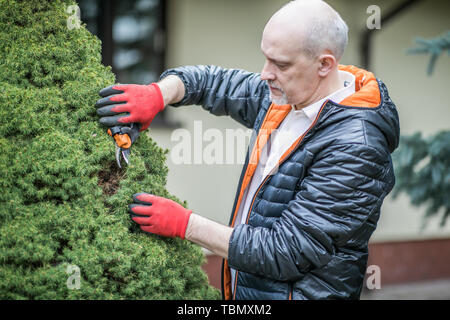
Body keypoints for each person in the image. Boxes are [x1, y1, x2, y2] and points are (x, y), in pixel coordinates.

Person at [95, 0, 400, 300]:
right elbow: (211, 82)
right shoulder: (287, 96)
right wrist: (158, 94)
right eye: (266, 58)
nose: (265, 73)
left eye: (280, 64)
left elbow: (287, 251)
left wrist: (186, 225)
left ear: (324, 64)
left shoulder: (356, 145)